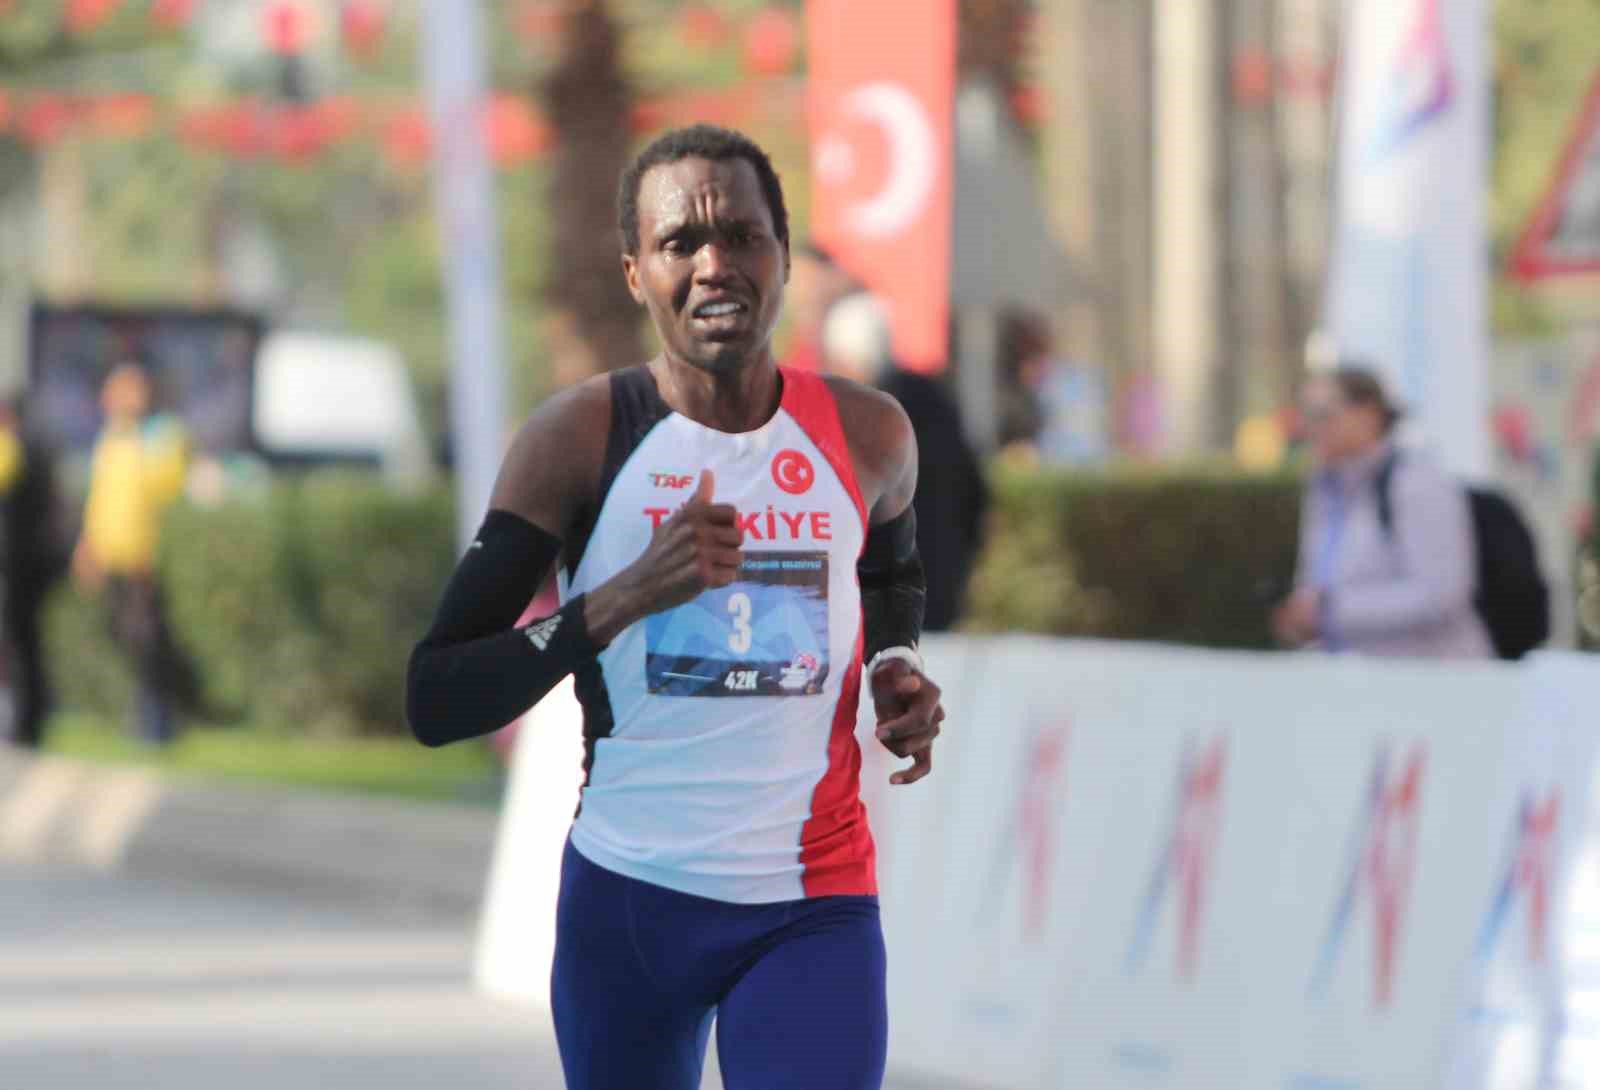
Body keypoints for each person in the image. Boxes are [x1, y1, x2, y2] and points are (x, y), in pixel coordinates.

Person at [406, 125, 945, 1090]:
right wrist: (622, 597)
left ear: (785, 254)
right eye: (679, 243)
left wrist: (895, 664)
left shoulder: (870, 434)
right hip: (631, 905)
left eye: (741, 236)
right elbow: (436, 696)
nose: (713, 266)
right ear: (635, 273)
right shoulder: (579, 438)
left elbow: (892, 572)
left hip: (811, 903)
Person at [1273, 366, 1493, 659]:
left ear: (1369, 415)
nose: (1309, 428)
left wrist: (1332, 609)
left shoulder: (1416, 483)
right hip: (1358, 674)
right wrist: (1304, 616)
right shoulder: (1324, 490)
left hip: (1430, 675)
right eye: (1305, 415)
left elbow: (1441, 595)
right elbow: (1319, 583)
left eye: (1322, 415)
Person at [822, 291, 990, 630]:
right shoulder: (935, 401)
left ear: (844, 359)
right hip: (938, 589)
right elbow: (975, 492)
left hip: (869, 603)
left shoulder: (840, 413)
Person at [74, 363, 200, 745]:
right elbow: (100, 498)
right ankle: (145, 716)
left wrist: (149, 546)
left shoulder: (160, 435)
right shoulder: (112, 438)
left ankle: (159, 721)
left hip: (145, 557)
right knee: (128, 637)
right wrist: (89, 545)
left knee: (149, 640)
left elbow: (164, 490)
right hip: (114, 555)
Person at [0, 397, 70, 748]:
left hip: (18, 565)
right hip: (30, 564)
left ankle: (25, 722)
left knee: (19, 643)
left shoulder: (15, 450)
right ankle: (28, 720)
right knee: (26, 643)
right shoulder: (35, 448)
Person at [779, 241, 856, 373]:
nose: (801, 292)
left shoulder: (860, 332)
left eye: (807, 280)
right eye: (795, 283)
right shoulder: (795, 362)